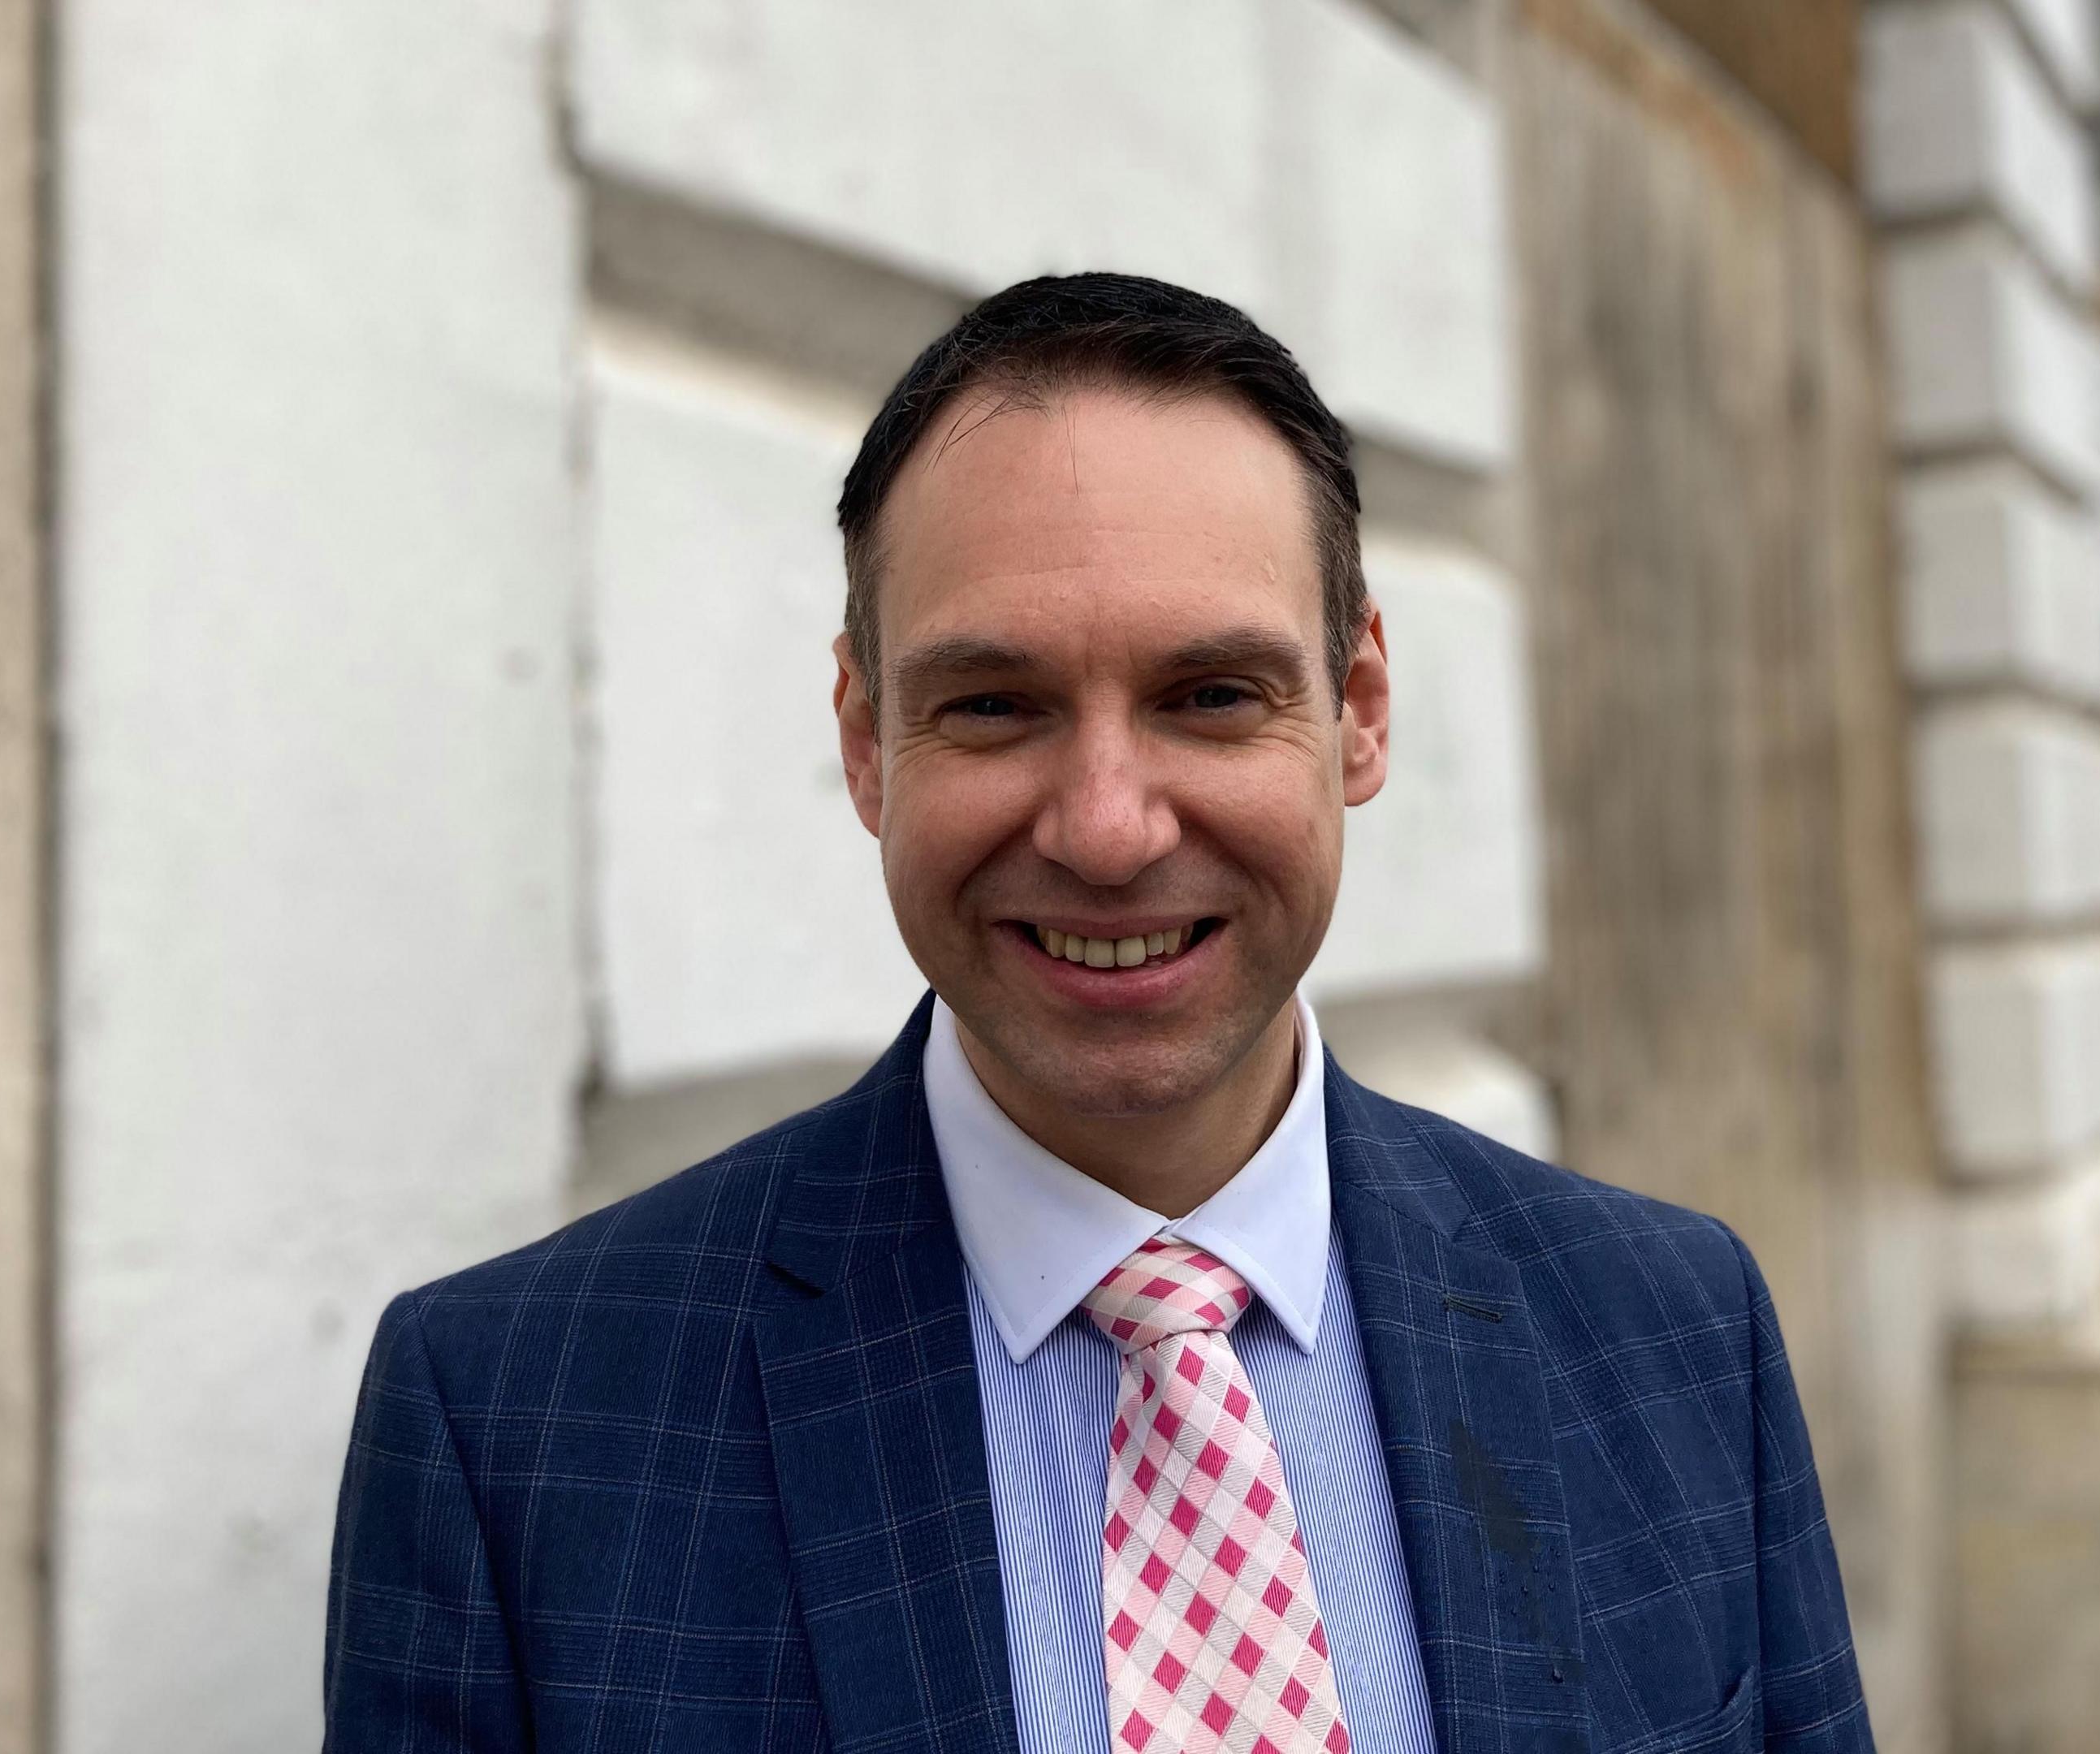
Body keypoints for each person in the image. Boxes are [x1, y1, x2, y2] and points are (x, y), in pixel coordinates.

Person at [322, 274, 1870, 1752]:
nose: (1109, 829)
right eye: (995, 706)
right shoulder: (514, 1425)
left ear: (1362, 711)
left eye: (1210, 697)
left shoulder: (1676, 1330)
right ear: (867, 741)